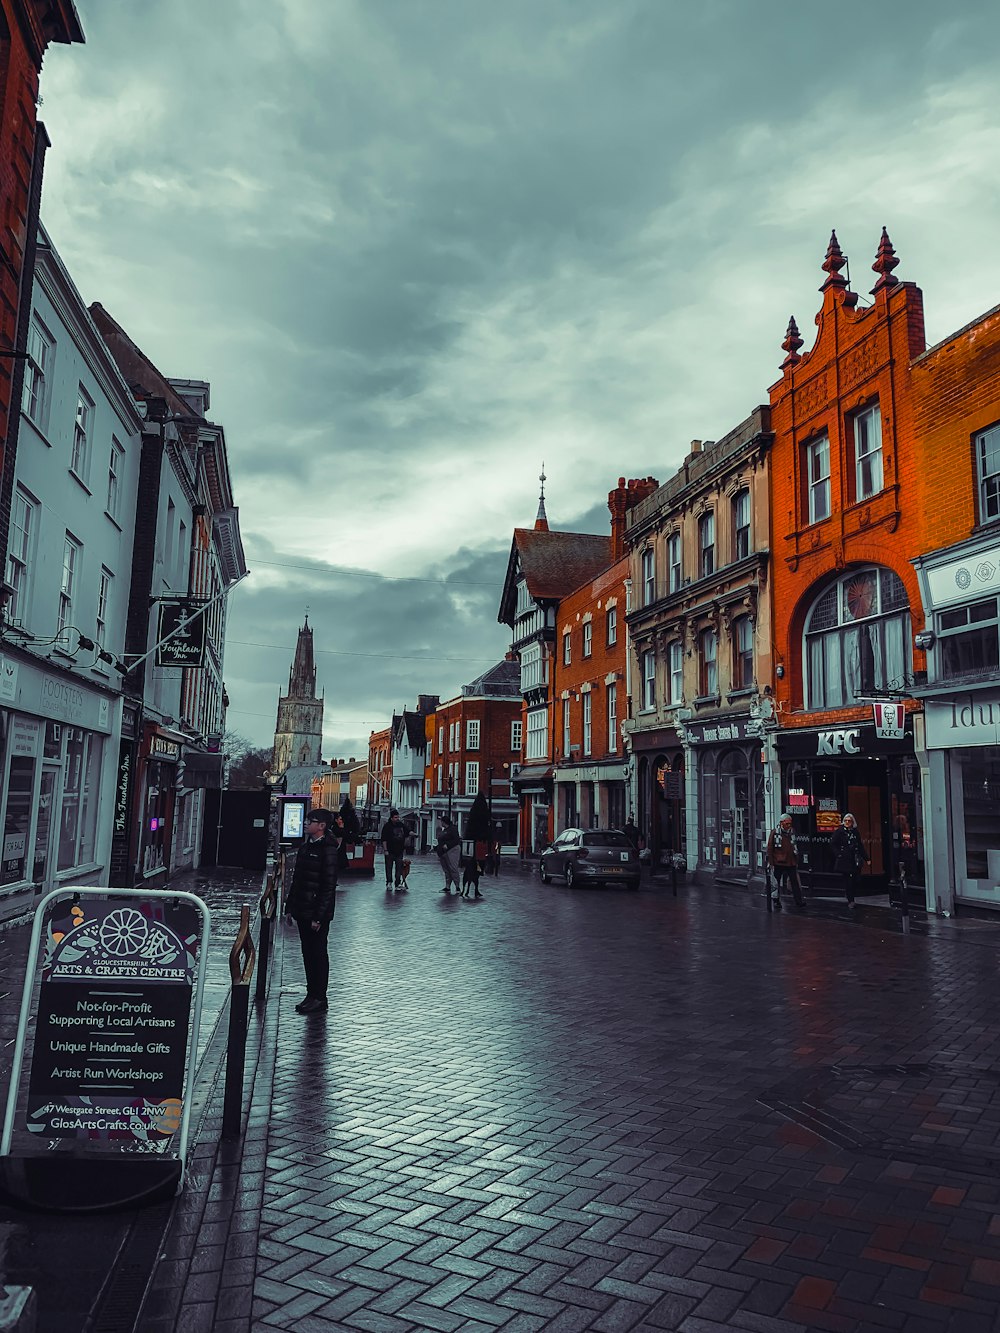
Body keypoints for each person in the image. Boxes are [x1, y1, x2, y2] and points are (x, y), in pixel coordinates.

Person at [285, 809, 339, 1013]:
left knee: (318, 953)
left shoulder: (328, 850)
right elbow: (297, 880)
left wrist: (319, 916)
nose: (306, 823)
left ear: (322, 826)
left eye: (311, 821)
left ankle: (319, 997)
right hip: (302, 909)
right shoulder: (306, 847)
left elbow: (328, 886)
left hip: (316, 913)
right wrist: (290, 908)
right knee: (307, 953)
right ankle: (311, 994)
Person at [832, 812, 869, 910]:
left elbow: (860, 845)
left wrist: (866, 858)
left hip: (854, 859)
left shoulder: (855, 832)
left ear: (853, 822)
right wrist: (839, 854)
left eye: (849, 821)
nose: (847, 822)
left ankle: (850, 895)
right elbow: (833, 844)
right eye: (846, 821)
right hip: (844, 859)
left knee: (855, 879)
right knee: (848, 880)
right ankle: (851, 900)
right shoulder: (839, 831)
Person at [766, 814, 804, 909]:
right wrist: (771, 862)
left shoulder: (792, 832)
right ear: (781, 823)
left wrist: (796, 859)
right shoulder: (775, 833)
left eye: (790, 823)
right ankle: (776, 900)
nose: (789, 825)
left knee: (794, 882)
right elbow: (770, 848)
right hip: (779, 862)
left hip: (790, 861)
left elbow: (794, 845)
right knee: (776, 882)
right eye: (787, 823)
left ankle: (799, 901)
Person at [379, 809, 407, 890]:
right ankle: (389, 883)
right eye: (395, 817)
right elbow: (384, 839)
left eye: (398, 817)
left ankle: (397, 883)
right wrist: (385, 850)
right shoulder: (387, 826)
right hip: (390, 851)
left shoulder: (401, 825)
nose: (397, 819)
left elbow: (407, 831)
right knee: (389, 867)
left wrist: (413, 834)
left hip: (399, 851)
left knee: (399, 868)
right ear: (391, 818)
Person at [435, 816, 462, 894]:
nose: (441, 823)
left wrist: (448, 845)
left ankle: (457, 887)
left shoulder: (452, 829)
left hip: (451, 851)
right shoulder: (445, 830)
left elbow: (456, 839)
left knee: (453, 868)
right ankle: (447, 887)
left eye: (441, 822)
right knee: (446, 870)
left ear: (444, 822)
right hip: (443, 853)